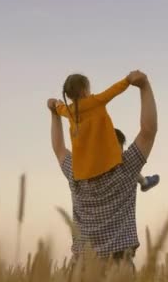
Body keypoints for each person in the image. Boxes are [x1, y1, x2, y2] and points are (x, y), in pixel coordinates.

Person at [47, 70, 158, 263]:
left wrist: (54, 113)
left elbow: (59, 148)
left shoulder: (76, 173)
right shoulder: (126, 169)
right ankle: (146, 182)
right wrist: (144, 86)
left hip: (82, 265)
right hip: (118, 264)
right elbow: (148, 131)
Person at [54, 72, 159, 191]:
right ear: (84, 90)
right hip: (108, 161)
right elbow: (114, 90)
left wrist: (56, 105)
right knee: (129, 167)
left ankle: (144, 182)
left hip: (84, 170)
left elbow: (59, 109)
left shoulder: (69, 111)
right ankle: (145, 182)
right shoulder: (95, 101)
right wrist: (128, 80)